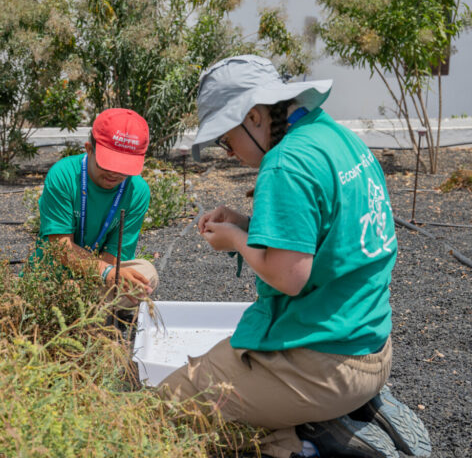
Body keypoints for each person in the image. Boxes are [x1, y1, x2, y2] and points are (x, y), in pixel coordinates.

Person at [158, 56, 430, 458]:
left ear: (253, 116)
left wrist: (234, 239)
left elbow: (289, 276)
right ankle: (310, 432)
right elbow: (323, 235)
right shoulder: (332, 136)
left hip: (323, 363)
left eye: (224, 138)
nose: (228, 152)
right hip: (370, 345)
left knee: (171, 404)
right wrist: (249, 224)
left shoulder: (284, 163)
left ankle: (309, 439)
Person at [33, 108, 158, 307]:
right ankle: (88, 306)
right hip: (54, 274)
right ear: (89, 149)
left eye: (124, 167)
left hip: (99, 279)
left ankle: (82, 304)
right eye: (108, 164)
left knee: (146, 272)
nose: (115, 174)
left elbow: (115, 256)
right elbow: (60, 248)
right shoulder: (64, 175)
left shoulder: (137, 191)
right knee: (67, 291)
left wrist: (105, 275)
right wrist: (106, 272)